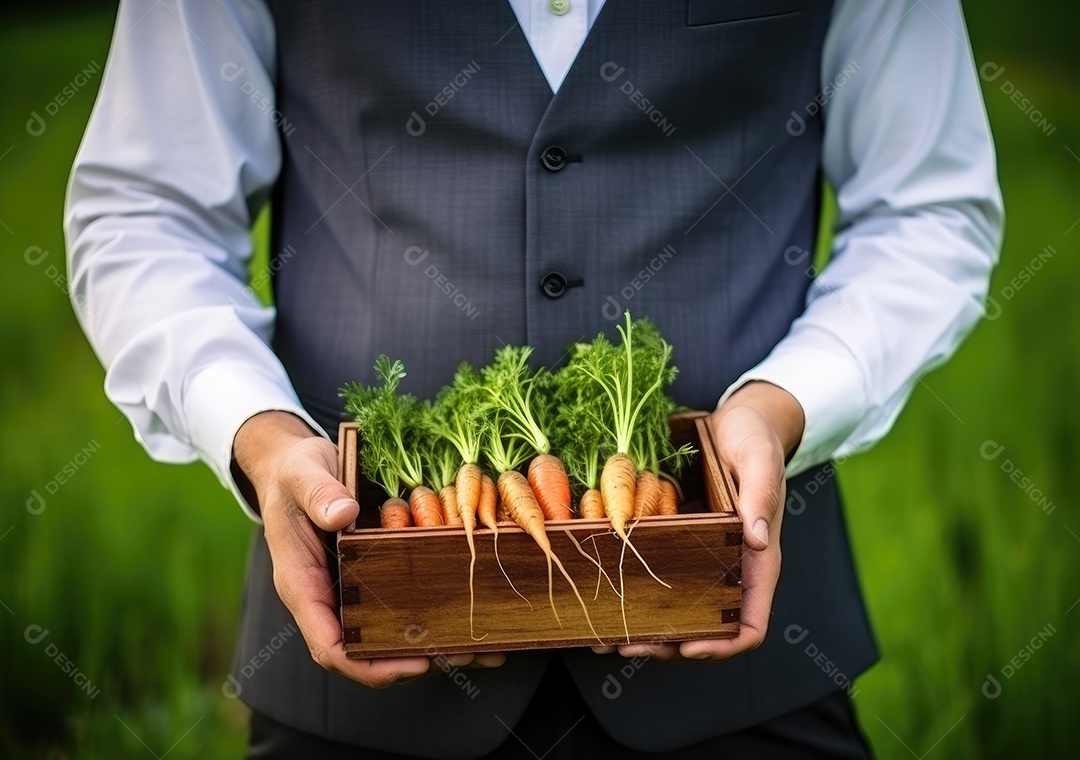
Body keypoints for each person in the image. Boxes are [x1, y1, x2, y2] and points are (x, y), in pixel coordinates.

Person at [65, 0, 1001, 757]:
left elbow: (929, 208)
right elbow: (147, 214)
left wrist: (781, 405)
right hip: (366, 659)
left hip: (741, 667)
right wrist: (261, 437)